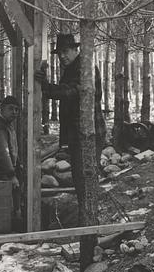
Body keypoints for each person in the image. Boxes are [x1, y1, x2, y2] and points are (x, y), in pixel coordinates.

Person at [35, 34, 106, 202]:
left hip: (89, 133)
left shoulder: (85, 68)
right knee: (79, 177)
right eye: (59, 53)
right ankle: (85, 212)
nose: (62, 56)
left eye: (65, 51)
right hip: (79, 134)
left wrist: (46, 87)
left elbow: (72, 92)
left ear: (76, 50)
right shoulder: (72, 69)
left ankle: (90, 215)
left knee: (86, 178)